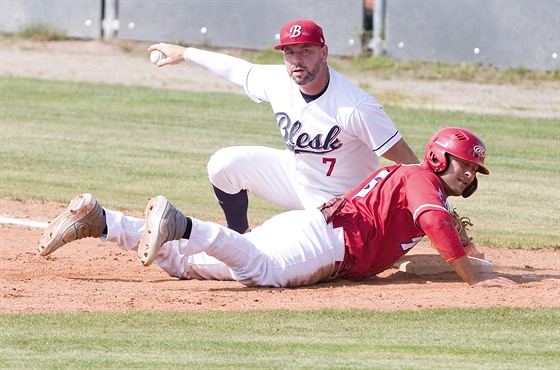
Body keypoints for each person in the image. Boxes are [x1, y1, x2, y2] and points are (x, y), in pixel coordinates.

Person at [38, 127, 516, 288]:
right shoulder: (420, 179)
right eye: (464, 166)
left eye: (474, 172)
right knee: (260, 272)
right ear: (438, 156)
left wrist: (471, 258)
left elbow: (427, 242)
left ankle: (101, 221)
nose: (468, 176)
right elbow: (432, 221)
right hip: (329, 242)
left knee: (187, 267)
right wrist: (474, 279)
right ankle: (181, 221)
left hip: (314, 228)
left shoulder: (416, 183)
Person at [147, 19, 419, 234]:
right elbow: (236, 70)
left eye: (305, 51)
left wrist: (436, 212)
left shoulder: (355, 106)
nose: (296, 60)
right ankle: (239, 235)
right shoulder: (279, 80)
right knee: (223, 164)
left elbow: (410, 163)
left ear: (324, 52)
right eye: (289, 52)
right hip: (297, 180)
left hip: (342, 203)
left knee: (281, 244)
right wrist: (185, 53)